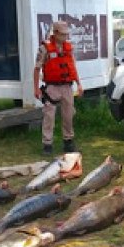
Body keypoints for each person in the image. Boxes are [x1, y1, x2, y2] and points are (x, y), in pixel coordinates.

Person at [33, 21, 83, 155]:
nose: (65, 37)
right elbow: (37, 69)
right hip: (52, 87)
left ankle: (68, 142)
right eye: (62, 34)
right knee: (49, 116)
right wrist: (36, 88)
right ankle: (47, 144)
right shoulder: (45, 49)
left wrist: (79, 84)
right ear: (55, 33)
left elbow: (72, 67)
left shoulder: (68, 48)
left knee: (68, 115)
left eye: (66, 34)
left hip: (67, 86)